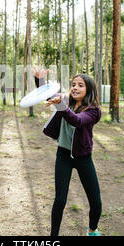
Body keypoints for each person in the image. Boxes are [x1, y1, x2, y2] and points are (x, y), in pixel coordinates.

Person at [32, 67, 102, 236]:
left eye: (80, 85)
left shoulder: (93, 111)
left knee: (96, 202)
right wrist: (40, 80)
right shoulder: (65, 101)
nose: (75, 88)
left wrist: (61, 105)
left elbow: (77, 120)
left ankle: (92, 231)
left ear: (89, 90)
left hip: (83, 158)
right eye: (73, 84)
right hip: (63, 155)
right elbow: (47, 95)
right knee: (60, 200)